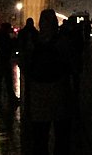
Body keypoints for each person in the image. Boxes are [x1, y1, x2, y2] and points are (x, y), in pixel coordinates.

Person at [26, 9, 73, 155]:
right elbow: (71, 65)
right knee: (61, 138)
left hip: (38, 96)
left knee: (40, 139)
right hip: (58, 94)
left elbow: (26, 66)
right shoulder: (62, 42)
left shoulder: (32, 42)